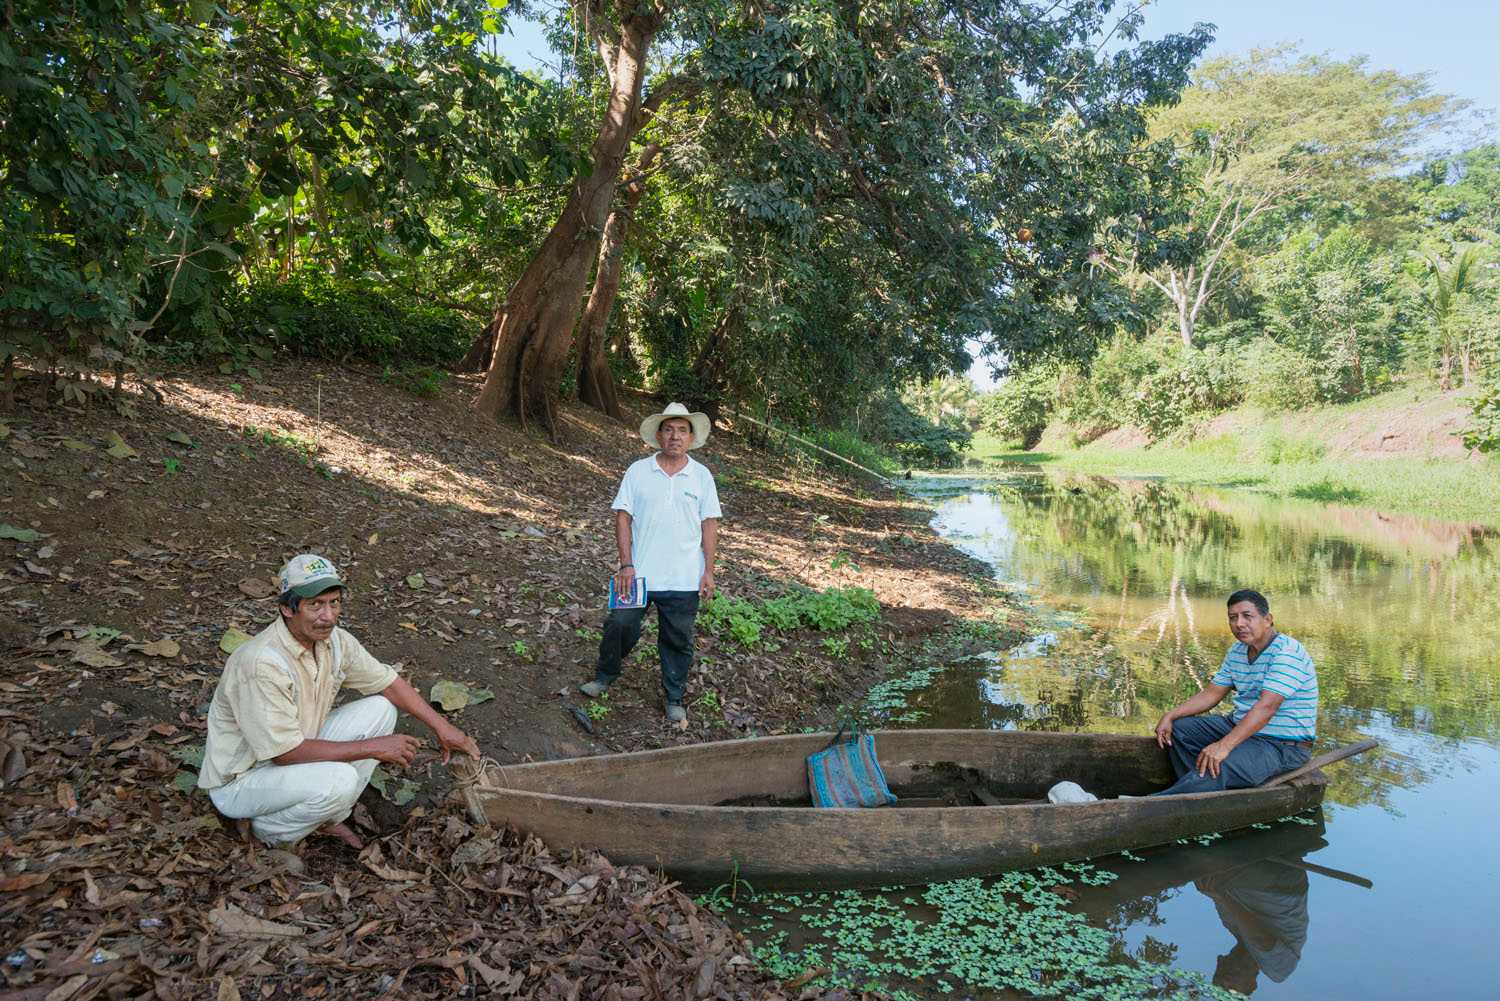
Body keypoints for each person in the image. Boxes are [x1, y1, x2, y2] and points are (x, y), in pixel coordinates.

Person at [198, 554, 480, 848]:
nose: (328, 616)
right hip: (242, 781)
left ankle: (326, 817)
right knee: (340, 780)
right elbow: (284, 753)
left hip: (294, 751)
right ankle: (270, 832)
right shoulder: (261, 664)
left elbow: (389, 684)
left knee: (381, 709)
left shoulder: (335, 642)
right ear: (286, 609)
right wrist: (373, 748)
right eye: (315, 605)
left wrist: (443, 728)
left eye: (334, 603)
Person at [579, 402, 721, 723]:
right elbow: (623, 517)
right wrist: (626, 565)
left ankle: (674, 697)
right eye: (669, 429)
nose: (675, 436)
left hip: (684, 578)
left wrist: (708, 571)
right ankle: (605, 675)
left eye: (682, 430)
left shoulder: (701, 476)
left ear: (691, 437)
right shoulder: (638, 471)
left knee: (678, 639)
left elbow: (709, 525)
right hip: (638, 574)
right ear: (658, 434)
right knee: (619, 624)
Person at [1152, 589, 1317, 795]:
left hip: (1281, 745)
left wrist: (1224, 746)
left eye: (1247, 616)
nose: (1239, 624)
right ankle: (1200, 789)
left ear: (1267, 619)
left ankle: (1154, 803)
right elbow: (1212, 694)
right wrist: (1171, 715)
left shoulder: (1287, 653)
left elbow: (1266, 708)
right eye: (1233, 618)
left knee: (1221, 767)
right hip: (1239, 728)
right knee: (1177, 729)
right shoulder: (1238, 651)